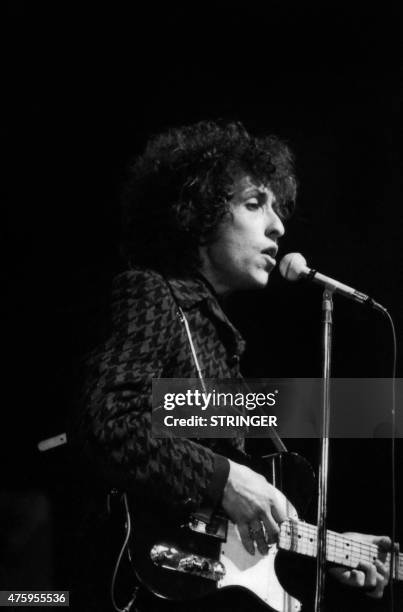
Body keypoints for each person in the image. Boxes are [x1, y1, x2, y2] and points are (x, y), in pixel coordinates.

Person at [75, 120, 391, 611]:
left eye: (276, 208)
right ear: (198, 216)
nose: (278, 226)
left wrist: (327, 546)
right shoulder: (152, 293)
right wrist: (225, 478)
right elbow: (110, 422)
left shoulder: (220, 338)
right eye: (253, 204)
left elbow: (215, 516)